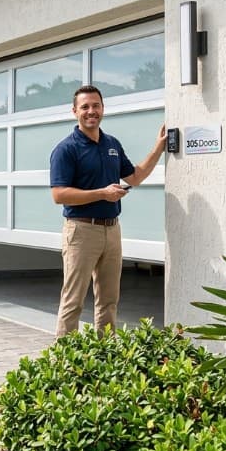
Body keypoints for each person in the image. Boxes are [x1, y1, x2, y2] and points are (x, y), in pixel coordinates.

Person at [49, 85, 166, 336]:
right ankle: (66, 362)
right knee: (73, 301)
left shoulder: (112, 143)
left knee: (109, 301)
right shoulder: (66, 149)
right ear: (74, 111)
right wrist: (102, 193)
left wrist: (158, 148)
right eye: (85, 107)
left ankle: (105, 355)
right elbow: (58, 195)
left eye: (96, 105)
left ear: (103, 108)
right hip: (80, 231)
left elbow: (134, 177)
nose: (91, 111)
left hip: (112, 230)